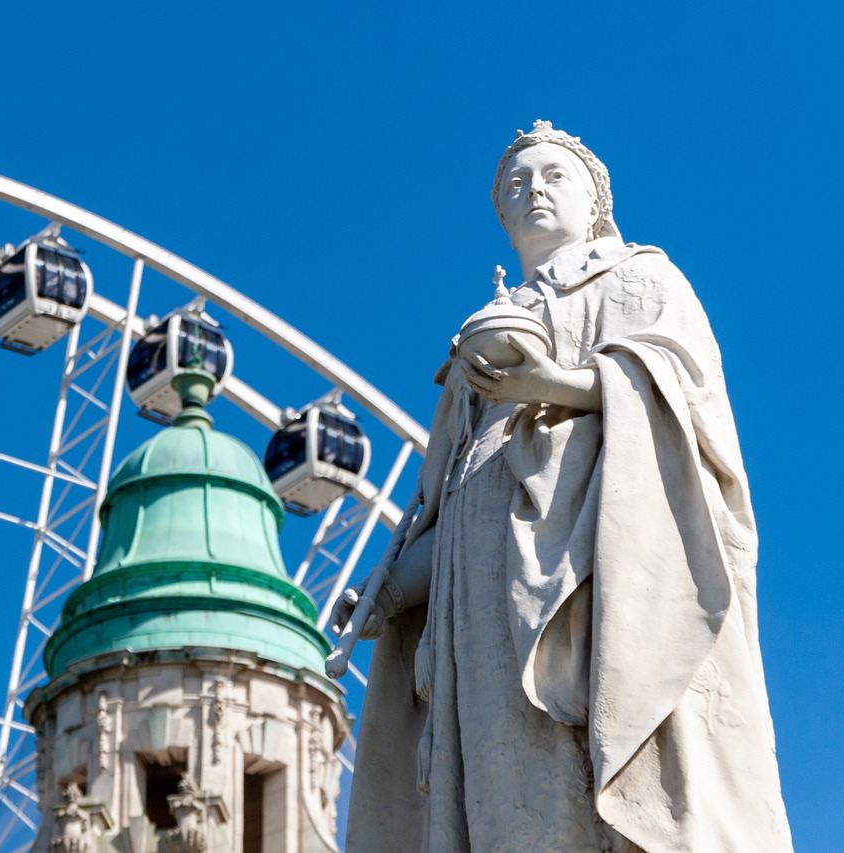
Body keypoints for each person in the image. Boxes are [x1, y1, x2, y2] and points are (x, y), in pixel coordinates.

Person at [334, 121, 792, 852]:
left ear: (595, 201)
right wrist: (389, 593)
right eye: (515, 185)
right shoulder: (476, 346)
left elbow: (683, 404)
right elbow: (454, 515)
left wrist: (556, 386)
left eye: (554, 176)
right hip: (483, 621)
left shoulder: (642, 279)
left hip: (598, 587)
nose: (534, 191)